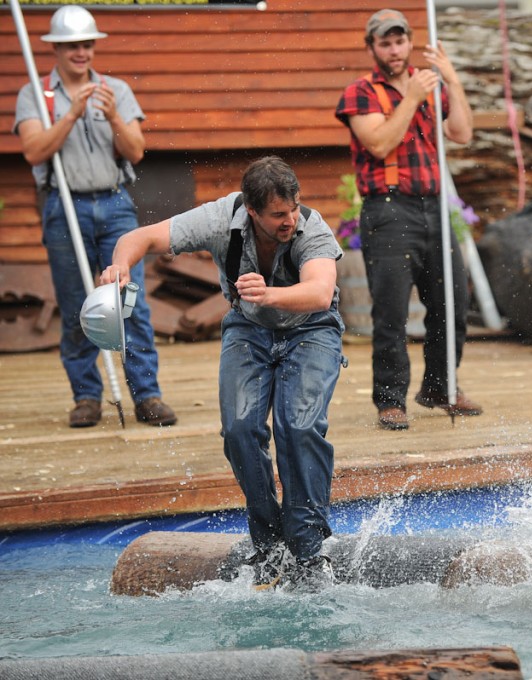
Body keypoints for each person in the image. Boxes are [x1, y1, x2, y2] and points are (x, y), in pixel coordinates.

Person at [99, 156, 345, 592]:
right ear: (251, 210)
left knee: (299, 426)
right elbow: (139, 238)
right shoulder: (217, 219)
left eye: (293, 208)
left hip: (311, 330)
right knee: (239, 429)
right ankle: (269, 543)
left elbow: (321, 293)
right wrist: (120, 268)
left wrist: (269, 294)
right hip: (248, 329)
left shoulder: (312, 229)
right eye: (278, 214)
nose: (290, 220)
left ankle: (308, 549)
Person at [13, 6, 176, 429]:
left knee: (129, 299)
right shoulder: (36, 94)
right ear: (56, 49)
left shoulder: (115, 90)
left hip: (115, 203)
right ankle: (86, 397)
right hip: (64, 207)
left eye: (87, 44)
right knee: (76, 304)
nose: (81, 52)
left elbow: (136, 151)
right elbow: (33, 151)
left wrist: (114, 116)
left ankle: (147, 394)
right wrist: (70, 114)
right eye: (72, 46)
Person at [335, 8, 482, 431]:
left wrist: (451, 79)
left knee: (452, 302)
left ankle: (440, 386)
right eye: (385, 43)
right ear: (372, 48)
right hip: (388, 210)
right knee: (392, 310)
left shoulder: (430, 83)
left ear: (410, 42)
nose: (394, 50)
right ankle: (390, 399)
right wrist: (414, 97)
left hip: (434, 207)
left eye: (400, 41)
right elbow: (380, 143)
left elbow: (462, 133)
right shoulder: (360, 92)